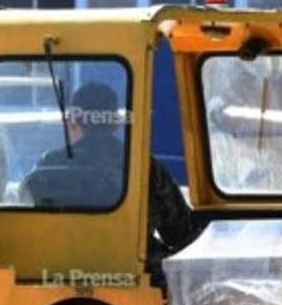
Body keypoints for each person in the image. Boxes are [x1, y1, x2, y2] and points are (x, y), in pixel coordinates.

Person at [23, 81, 204, 283]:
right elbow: (182, 235)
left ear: (71, 121)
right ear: (115, 123)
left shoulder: (46, 166)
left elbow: (25, 221)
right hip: (137, 281)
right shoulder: (145, 167)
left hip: (57, 275)